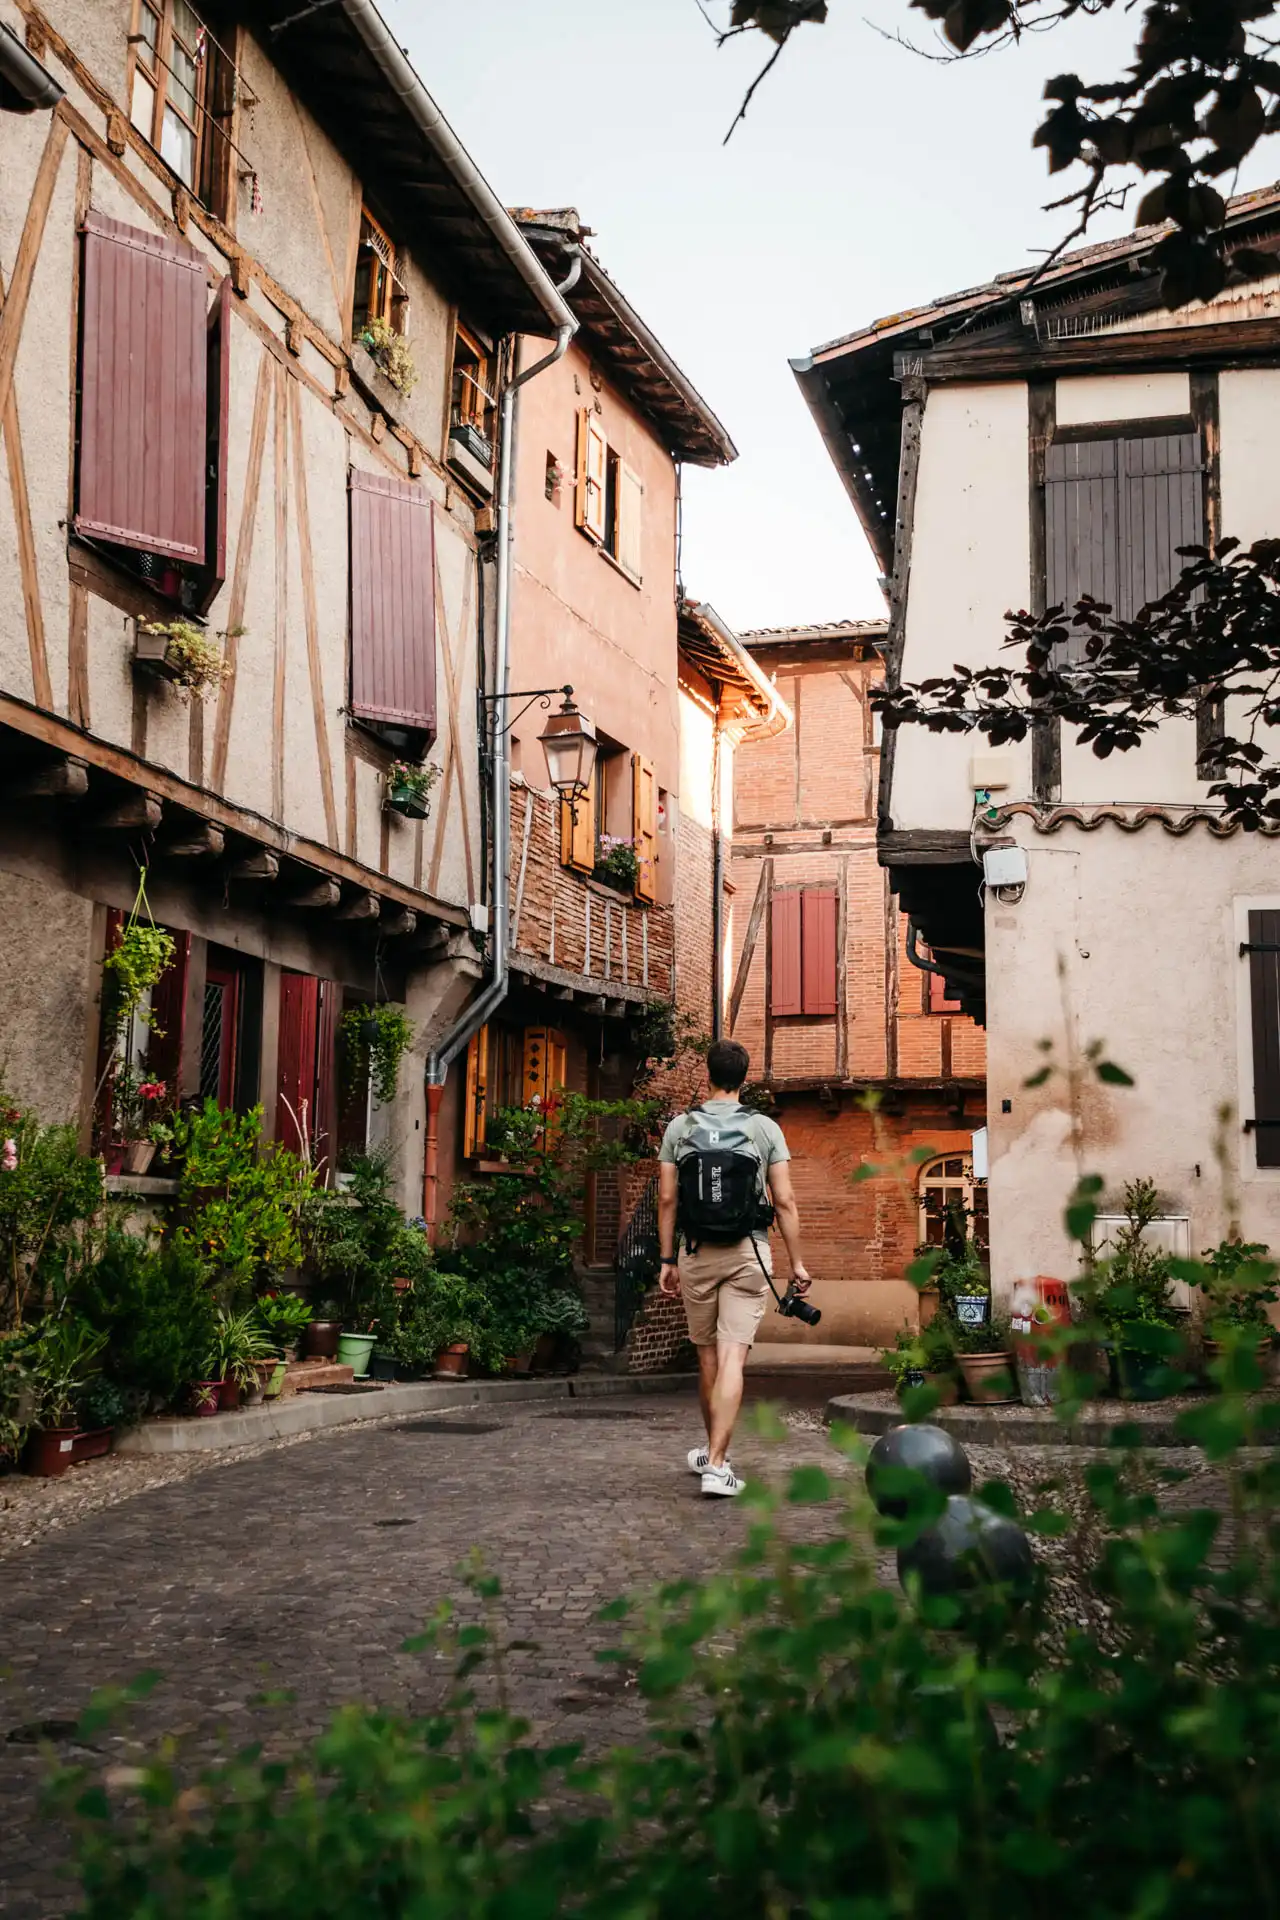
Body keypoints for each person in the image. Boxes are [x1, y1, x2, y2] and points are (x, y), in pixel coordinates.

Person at [657, 1039, 812, 1497]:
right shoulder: (764, 1129)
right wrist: (797, 1263)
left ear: (707, 1074)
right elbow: (784, 1200)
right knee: (732, 1358)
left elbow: (668, 1199)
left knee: (707, 1357)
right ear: (744, 1078)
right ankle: (717, 1464)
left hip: (696, 1253)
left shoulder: (679, 1128)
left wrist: (668, 1259)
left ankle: (712, 1452)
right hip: (749, 1254)